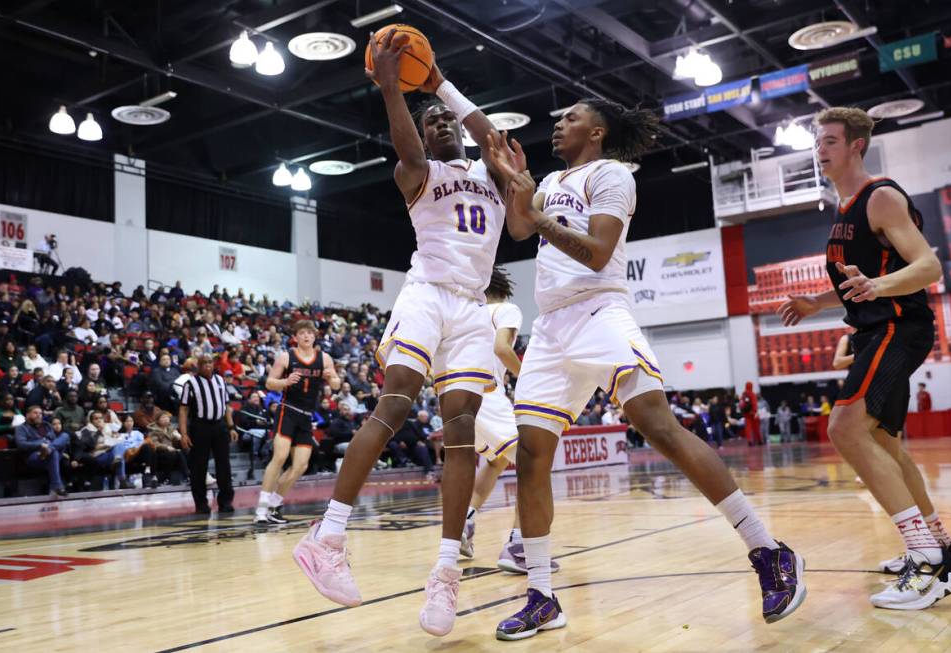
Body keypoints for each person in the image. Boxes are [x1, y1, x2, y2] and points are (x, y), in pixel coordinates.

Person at [485, 98, 805, 640]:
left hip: (598, 311)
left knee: (659, 428)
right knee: (533, 454)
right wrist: (512, 179)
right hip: (553, 327)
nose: (557, 122)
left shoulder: (611, 175)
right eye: (556, 116)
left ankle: (767, 550)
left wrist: (535, 210)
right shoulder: (553, 180)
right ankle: (541, 594)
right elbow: (519, 229)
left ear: (598, 130)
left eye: (570, 117)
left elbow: (597, 251)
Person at [292, 36, 513, 638]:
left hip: (471, 309)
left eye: (446, 117)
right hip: (427, 295)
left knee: (463, 433)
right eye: (431, 120)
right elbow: (408, 143)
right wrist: (394, 89)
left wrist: (438, 79)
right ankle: (328, 535)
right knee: (393, 407)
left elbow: (489, 135)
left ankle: (445, 572)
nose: (441, 121)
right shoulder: (416, 171)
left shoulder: (492, 174)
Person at [778, 106, 951, 609]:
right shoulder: (843, 209)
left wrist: (878, 286)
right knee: (885, 444)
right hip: (876, 330)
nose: (820, 150)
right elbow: (854, 287)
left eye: (830, 141)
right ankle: (945, 551)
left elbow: (929, 264)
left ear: (857, 145)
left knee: (843, 428)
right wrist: (815, 302)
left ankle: (924, 559)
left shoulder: (879, 197)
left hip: (896, 328)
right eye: (817, 142)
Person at [459, 266, 548, 575]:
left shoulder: (465, 315)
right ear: (503, 289)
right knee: (532, 464)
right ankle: (518, 546)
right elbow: (501, 348)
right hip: (486, 396)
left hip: (456, 400)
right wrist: (527, 378)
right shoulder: (506, 309)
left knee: (496, 461)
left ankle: (464, 520)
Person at [255, 320, 339, 524]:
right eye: (302, 333)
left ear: (314, 336)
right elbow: (269, 382)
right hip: (288, 411)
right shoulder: (286, 356)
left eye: (310, 333)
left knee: (301, 465)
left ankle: (274, 505)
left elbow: (336, 384)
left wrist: (331, 378)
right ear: (296, 336)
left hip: (306, 416)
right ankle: (261, 510)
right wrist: (284, 382)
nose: (306, 336)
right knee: (280, 457)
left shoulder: (324, 358)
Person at [179, 354, 238, 514]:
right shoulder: (190, 383)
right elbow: (183, 409)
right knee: (199, 467)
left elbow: (226, 406)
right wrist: (184, 434)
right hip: (200, 427)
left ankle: (226, 502)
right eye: (204, 363)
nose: (207, 366)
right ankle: (201, 504)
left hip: (219, 426)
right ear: (198, 365)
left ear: (213, 364)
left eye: (210, 362)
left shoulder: (220, 380)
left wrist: (232, 426)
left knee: (224, 466)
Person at [15, 404, 69, 497]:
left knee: (65, 436)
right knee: (53, 452)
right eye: (35, 413)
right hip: (34, 456)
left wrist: (48, 446)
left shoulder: (47, 425)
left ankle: (49, 450)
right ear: (27, 415)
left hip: (48, 452)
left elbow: (54, 439)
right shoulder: (21, 428)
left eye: (40, 413)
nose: (39, 415)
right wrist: (40, 444)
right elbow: (21, 445)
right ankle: (56, 487)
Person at [147, 411, 189, 485]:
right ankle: (187, 476)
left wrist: (179, 438)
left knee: (187, 450)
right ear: (158, 420)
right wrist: (166, 447)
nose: (166, 419)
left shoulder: (171, 429)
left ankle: (194, 474)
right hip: (160, 453)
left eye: (167, 417)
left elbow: (176, 442)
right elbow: (155, 443)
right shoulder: (153, 430)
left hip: (172, 452)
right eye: (163, 417)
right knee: (178, 453)